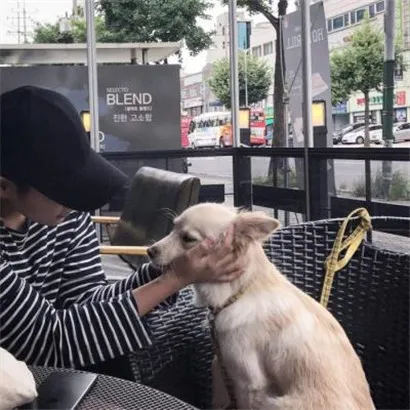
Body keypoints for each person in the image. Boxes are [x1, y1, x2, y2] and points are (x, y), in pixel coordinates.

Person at [0, 85, 245, 369]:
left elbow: (85, 300)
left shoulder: (67, 216)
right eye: (62, 191)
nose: (75, 202)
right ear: (4, 186)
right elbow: (49, 341)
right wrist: (174, 279)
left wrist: (165, 268)